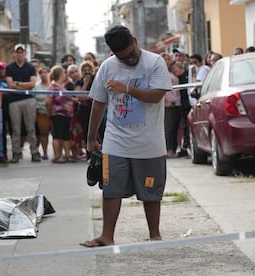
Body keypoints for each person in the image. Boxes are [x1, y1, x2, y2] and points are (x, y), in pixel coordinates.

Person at [80, 25, 172, 247]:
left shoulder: (155, 62)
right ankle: (106, 237)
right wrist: (91, 138)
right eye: (123, 59)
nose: (130, 61)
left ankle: (154, 235)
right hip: (115, 142)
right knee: (111, 189)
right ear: (113, 53)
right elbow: (99, 103)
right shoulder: (107, 67)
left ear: (135, 40)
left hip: (150, 143)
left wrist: (127, 89)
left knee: (151, 191)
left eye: (131, 55)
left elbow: (157, 96)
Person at [5, 43, 41, 163]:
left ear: (25, 53)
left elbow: (32, 84)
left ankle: (34, 152)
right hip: (14, 101)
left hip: (28, 99)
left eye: (22, 52)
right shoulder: (10, 68)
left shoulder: (30, 67)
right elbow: (10, 84)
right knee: (16, 129)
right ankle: (16, 152)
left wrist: (17, 84)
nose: (20, 54)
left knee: (31, 128)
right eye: (18, 52)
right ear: (15, 54)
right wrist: (22, 85)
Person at [45, 65, 75, 163]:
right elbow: (48, 101)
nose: (65, 74)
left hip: (67, 115)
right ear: (59, 74)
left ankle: (67, 155)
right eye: (63, 72)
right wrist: (50, 112)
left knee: (66, 135)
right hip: (57, 114)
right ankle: (57, 156)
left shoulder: (62, 86)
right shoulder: (52, 87)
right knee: (57, 135)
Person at [34, 66, 51, 160]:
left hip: (52, 114)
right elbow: (33, 99)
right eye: (41, 73)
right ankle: (44, 153)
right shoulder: (36, 87)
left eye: (45, 72)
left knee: (55, 134)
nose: (43, 74)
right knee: (43, 134)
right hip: (41, 113)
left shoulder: (52, 86)